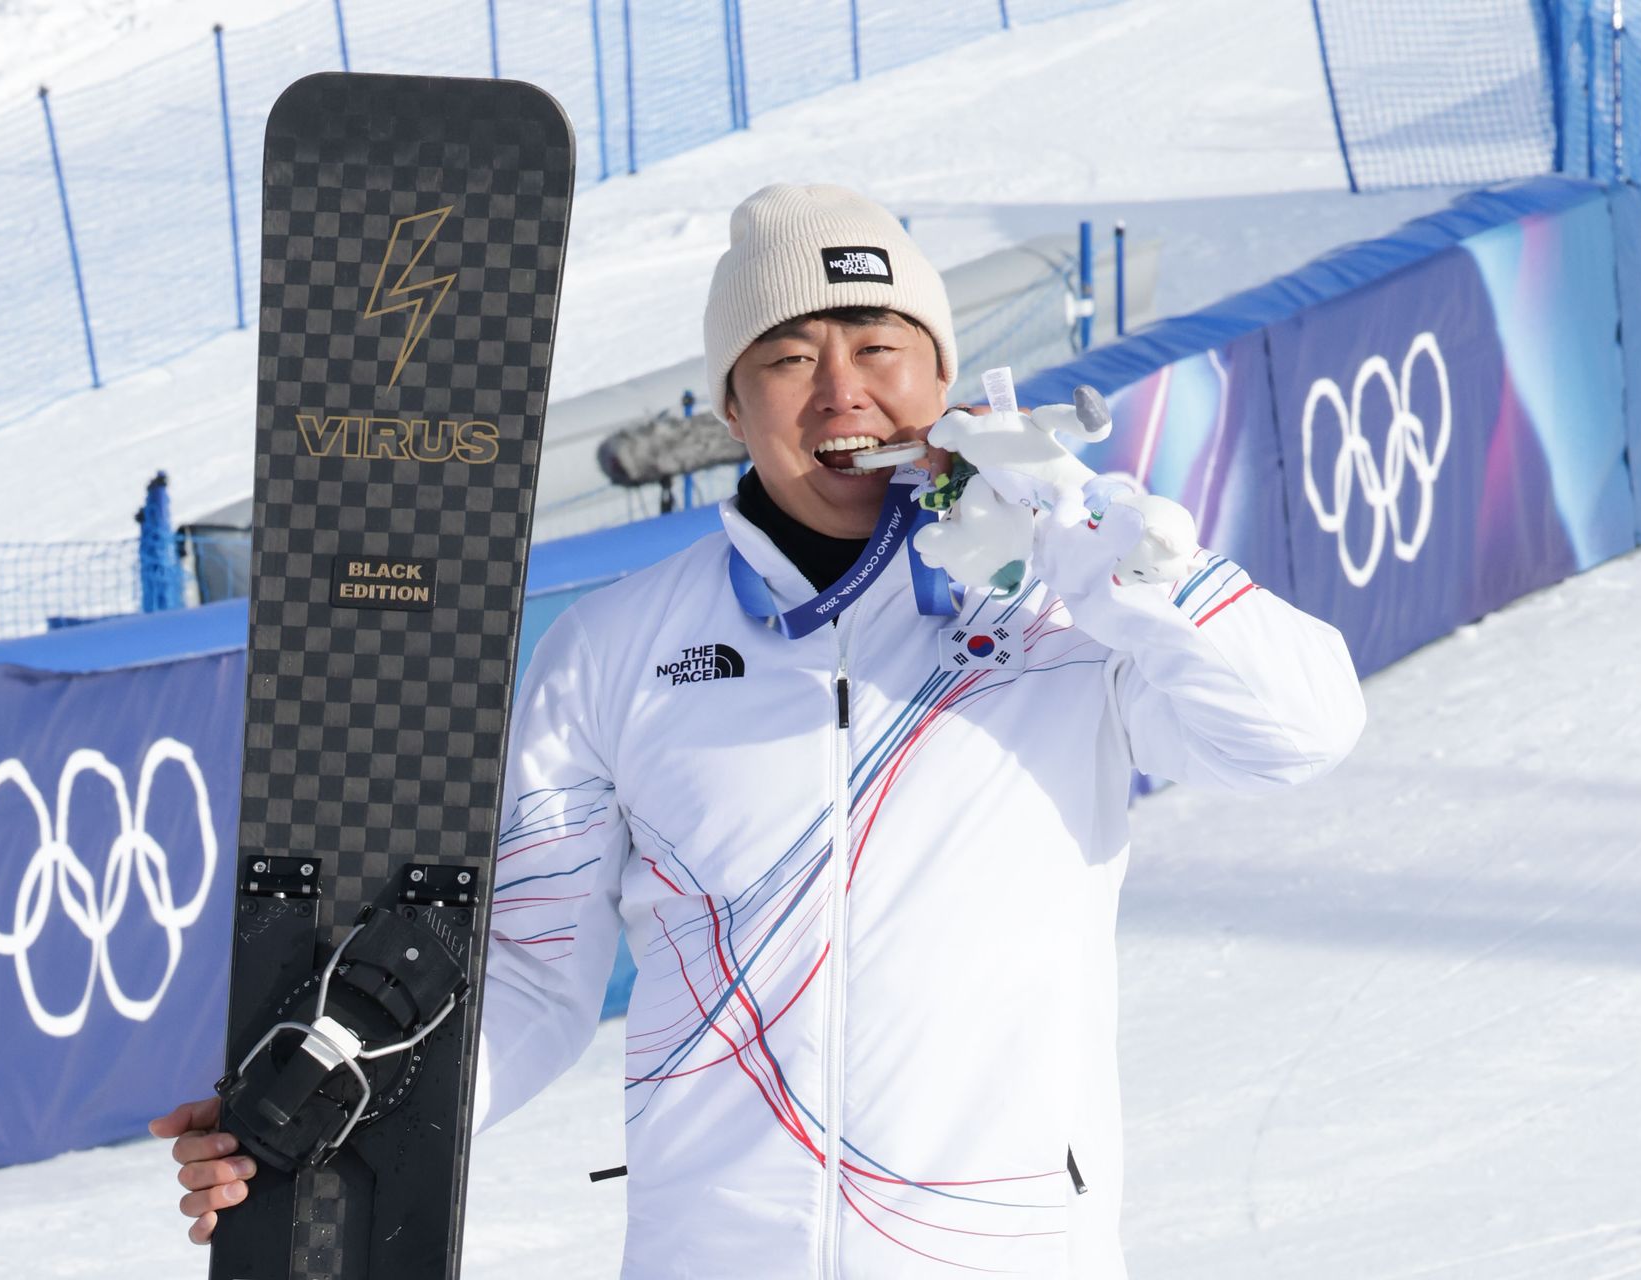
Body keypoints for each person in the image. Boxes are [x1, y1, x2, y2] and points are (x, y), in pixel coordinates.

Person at [153, 183, 1366, 1277]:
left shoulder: (1066, 610)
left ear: (941, 385)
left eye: (880, 346)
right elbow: (528, 974)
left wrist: (1114, 551)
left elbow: (1299, 730)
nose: (843, 391)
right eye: (787, 358)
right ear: (732, 403)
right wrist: (329, 1103)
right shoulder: (615, 651)